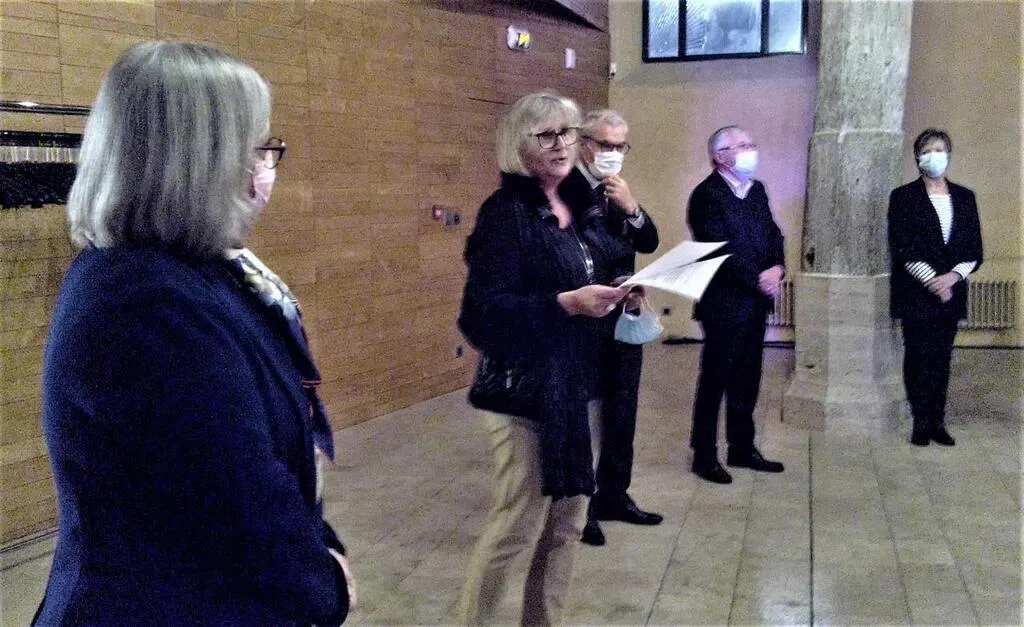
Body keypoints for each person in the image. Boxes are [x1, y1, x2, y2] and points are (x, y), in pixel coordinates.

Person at [36, 41, 354, 625]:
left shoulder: (202, 273)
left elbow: (272, 446)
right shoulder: (143, 303)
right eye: (258, 147)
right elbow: (234, 496)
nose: (266, 165)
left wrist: (318, 542)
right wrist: (323, 581)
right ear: (200, 159)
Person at [457, 92, 628, 625]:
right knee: (517, 525)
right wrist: (565, 304)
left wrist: (621, 289)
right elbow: (481, 316)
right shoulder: (505, 213)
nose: (561, 144)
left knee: (569, 521)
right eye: (547, 135)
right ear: (519, 145)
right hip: (520, 391)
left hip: (575, 384)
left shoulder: (582, 204)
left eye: (568, 132)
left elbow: (598, 265)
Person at [575, 109, 662, 547]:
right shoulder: (567, 190)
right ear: (583, 144)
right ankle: (581, 508)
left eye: (620, 146)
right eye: (605, 145)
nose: (613, 153)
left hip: (623, 315)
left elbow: (649, 240)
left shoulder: (618, 189)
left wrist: (634, 209)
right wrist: (616, 280)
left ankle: (614, 493)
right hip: (584, 319)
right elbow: (580, 250)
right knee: (584, 416)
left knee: (622, 409)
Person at [686, 125, 786, 485]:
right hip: (724, 301)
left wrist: (777, 267)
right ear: (719, 156)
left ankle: (742, 447)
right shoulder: (706, 195)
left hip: (755, 301)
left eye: (751, 143)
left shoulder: (756, 190)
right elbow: (718, 248)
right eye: (741, 145)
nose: (750, 150)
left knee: (748, 377)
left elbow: (773, 234)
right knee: (716, 378)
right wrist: (757, 278)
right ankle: (704, 455)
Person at [887, 128, 983, 446]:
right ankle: (920, 421)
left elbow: (974, 249)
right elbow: (902, 247)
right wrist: (932, 281)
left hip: (952, 292)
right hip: (917, 292)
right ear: (917, 157)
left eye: (940, 149)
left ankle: (938, 422)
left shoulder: (965, 198)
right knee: (917, 357)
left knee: (941, 359)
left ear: (949, 155)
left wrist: (952, 277)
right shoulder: (903, 197)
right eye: (927, 150)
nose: (934, 156)